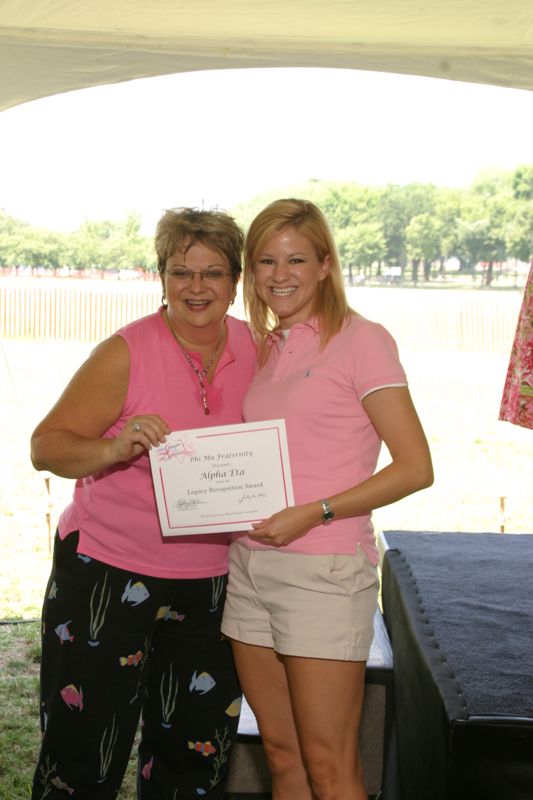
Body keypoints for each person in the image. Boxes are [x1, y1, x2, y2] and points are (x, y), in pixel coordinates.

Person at [30, 208, 256, 800]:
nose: (197, 287)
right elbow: (46, 447)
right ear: (160, 276)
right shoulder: (125, 352)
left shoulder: (260, 349)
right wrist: (114, 446)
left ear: (236, 280)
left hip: (212, 585)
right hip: (107, 574)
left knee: (193, 756)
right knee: (83, 754)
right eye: (181, 271)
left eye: (213, 272)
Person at [221, 198, 434, 800]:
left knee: (329, 762)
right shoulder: (267, 347)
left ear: (325, 265)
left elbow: (416, 467)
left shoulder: (362, 340)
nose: (279, 274)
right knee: (281, 756)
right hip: (249, 567)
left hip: (323, 570)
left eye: (295, 259)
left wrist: (316, 512)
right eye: (265, 260)